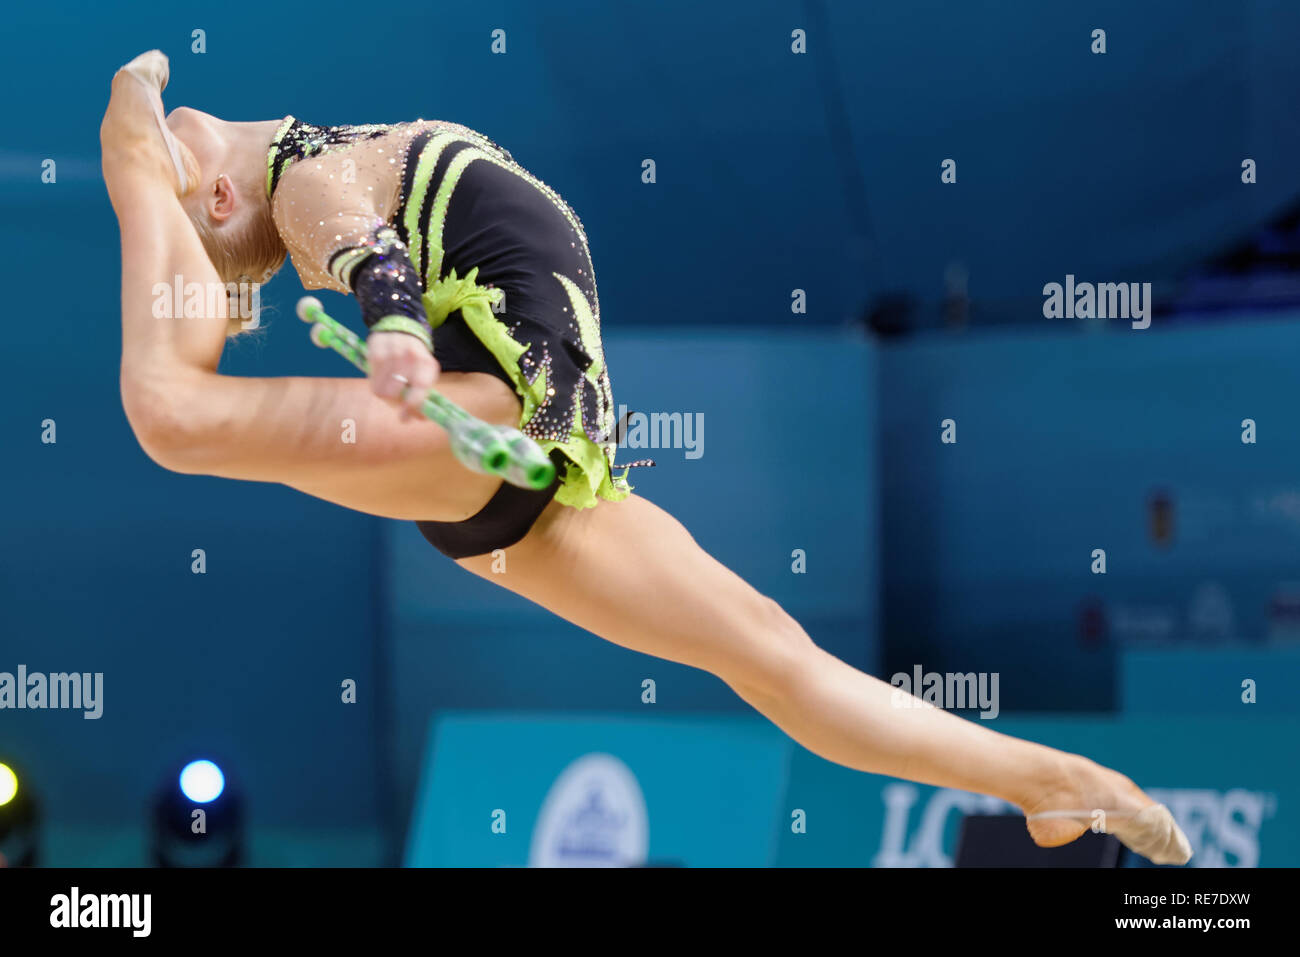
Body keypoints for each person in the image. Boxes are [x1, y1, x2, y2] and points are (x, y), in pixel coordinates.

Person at [101, 51, 1190, 865]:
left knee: (772, 654)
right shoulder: (320, 168)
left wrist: (388, 319)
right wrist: (386, 319)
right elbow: (367, 252)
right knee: (175, 415)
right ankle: (129, 149)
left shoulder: (302, 175)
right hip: (509, 454)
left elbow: (359, 245)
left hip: (520, 461)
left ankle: (1059, 782)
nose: (270, 273)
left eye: (201, 239)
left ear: (222, 194)